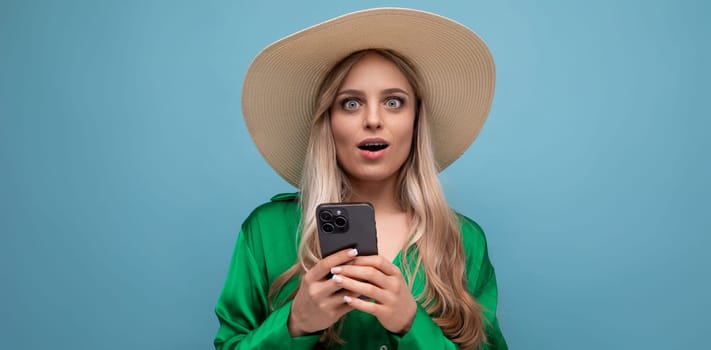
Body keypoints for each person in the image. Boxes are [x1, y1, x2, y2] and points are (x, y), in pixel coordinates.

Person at [215, 8, 508, 350]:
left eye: (394, 102)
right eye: (351, 103)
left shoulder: (463, 240)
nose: (373, 119)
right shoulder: (266, 231)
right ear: (328, 121)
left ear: (415, 122)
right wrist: (294, 324)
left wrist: (411, 324)